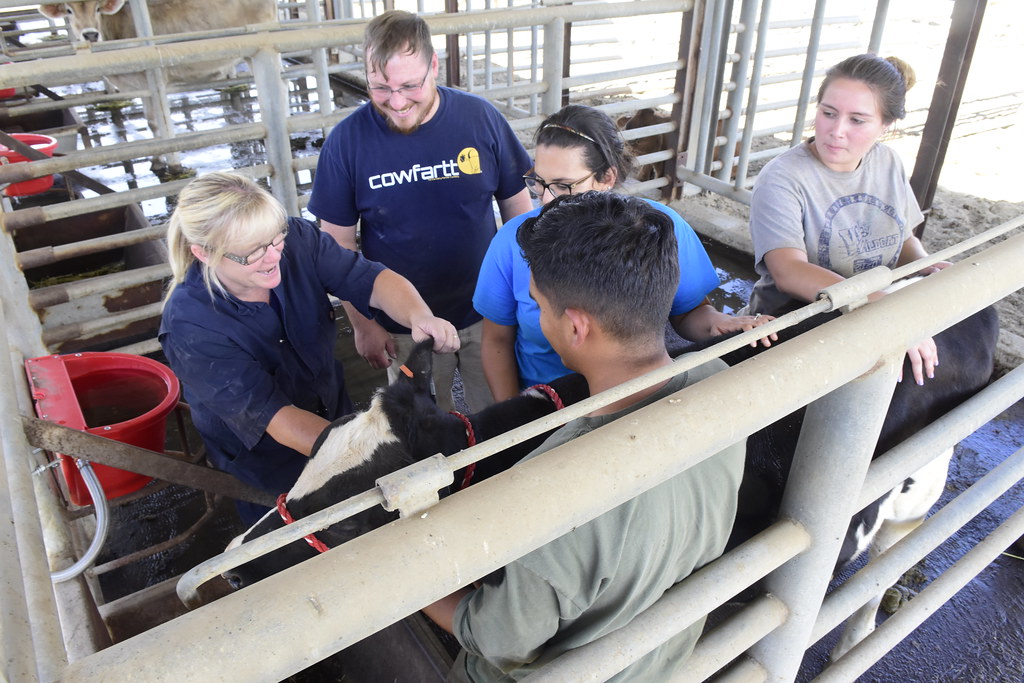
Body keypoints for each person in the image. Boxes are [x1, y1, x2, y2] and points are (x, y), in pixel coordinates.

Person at [423, 192, 745, 681]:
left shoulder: (555, 483)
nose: (539, 317)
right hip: (663, 658)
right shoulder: (718, 384)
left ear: (575, 325)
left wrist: (409, 579)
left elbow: (494, 639)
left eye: (538, 306)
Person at [159, 172, 459, 524]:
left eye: (276, 238)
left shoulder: (296, 239)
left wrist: (419, 315)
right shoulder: (190, 323)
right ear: (204, 253)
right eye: (253, 252)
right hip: (270, 456)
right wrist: (373, 448)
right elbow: (277, 418)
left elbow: (370, 278)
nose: (273, 256)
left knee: (370, 512)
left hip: (333, 409)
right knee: (300, 535)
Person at [307, 9, 534, 413]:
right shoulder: (346, 142)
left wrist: (524, 295)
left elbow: (518, 212)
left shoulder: (481, 118)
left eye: (410, 85)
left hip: (489, 310)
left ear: (434, 65)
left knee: (501, 414)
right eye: (379, 87)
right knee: (427, 430)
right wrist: (365, 325)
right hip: (404, 326)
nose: (396, 102)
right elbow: (337, 248)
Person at [473, 104, 774, 401]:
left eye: (564, 186)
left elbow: (690, 312)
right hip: (544, 401)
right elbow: (497, 338)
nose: (547, 201)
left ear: (606, 178)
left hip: (632, 396)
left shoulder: (657, 228)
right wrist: (514, 419)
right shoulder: (512, 240)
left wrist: (719, 323)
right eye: (539, 182)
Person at [744, 54, 948, 385]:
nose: (836, 131)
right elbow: (788, 271)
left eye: (857, 120)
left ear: (886, 125)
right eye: (828, 114)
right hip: (794, 318)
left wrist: (931, 266)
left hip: (871, 303)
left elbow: (904, 238)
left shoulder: (887, 162)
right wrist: (885, 308)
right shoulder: (783, 177)